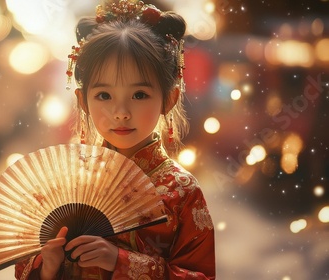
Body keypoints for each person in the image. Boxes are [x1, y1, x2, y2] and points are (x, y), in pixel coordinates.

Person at [15, 0, 215, 278]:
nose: (121, 113)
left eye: (139, 95)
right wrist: (47, 267)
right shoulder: (66, 182)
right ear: (83, 101)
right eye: (104, 96)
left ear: (169, 99)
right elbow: (26, 265)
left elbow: (200, 275)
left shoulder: (181, 192)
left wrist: (121, 261)